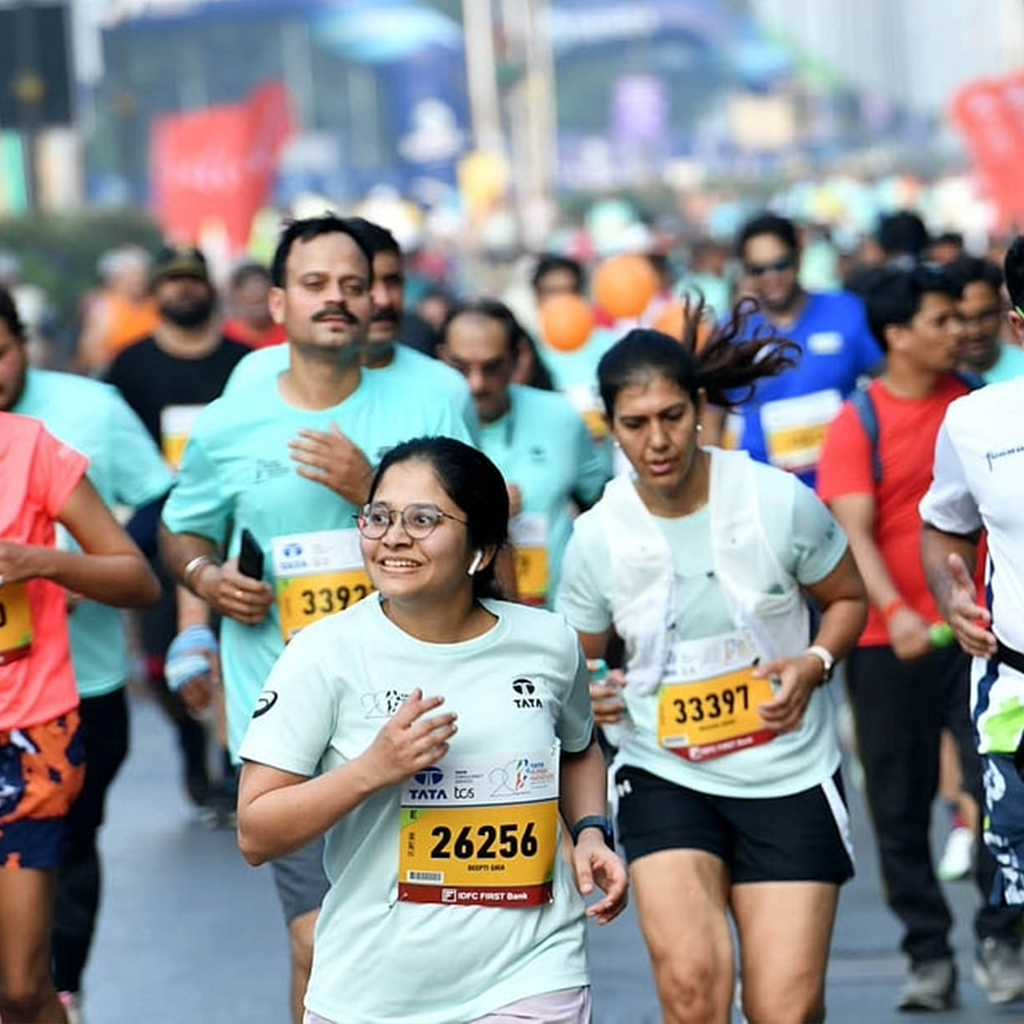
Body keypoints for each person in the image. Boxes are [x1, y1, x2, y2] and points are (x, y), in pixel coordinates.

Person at [158, 213, 475, 1024]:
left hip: (419, 707)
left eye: (352, 284)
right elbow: (183, 526)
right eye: (314, 284)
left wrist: (372, 487)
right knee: (321, 941)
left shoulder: (431, 398)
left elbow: (482, 543)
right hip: (287, 715)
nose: (336, 298)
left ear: (374, 299)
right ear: (278, 303)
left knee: (415, 946)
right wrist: (205, 580)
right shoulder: (232, 417)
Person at [237, 436, 628, 1024]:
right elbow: (255, 832)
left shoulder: (548, 643)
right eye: (379, 517)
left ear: (482, 549)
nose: (394, 537)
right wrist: (372, 770)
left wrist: (592, 831)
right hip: (371, 987)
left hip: (530, 968)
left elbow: (578, 749)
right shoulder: (322, 655)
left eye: (423, 520)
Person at [555, 319, 867, 1024]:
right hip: (664, 769)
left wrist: (815, 662)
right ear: (611, 427)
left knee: (785, 1009)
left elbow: (848, 599)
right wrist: (596, 691)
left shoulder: (776, 500)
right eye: (635, 424)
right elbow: (578, 661)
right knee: (692, 991)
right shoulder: (597, 538)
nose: (658, 440)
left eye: (671, 416)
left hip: (789, 770)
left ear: (699, 407)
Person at [817, 264, 1024, 1010]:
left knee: (988, 795)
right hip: (887, 643)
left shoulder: (977, 402)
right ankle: (928, 953)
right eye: (941, 320)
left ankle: (1003, 936)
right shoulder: (861, 419)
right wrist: (898, 610)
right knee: (899, 805)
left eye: (964, 318)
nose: (959, 331)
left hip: (979, 647)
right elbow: (854, 527)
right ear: (897, 335)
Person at [0, 285, 173, 1021]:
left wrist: (42, 563)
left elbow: (137, 578)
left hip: (26, 731)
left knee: (20, 987)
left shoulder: (31, 447)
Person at [106, 242, 251, 818]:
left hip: (236, 527)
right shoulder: (130, 365)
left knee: (236, 641)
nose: (183, 289)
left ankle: (238, 763)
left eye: (193, 279)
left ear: (210, 288)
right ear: (156, 292)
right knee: (165, 652)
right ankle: (192, 749)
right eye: (172, 280)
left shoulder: (242, 364)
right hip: (159, 528)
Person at [920, 234, 1024, 994]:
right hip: (1016, 689)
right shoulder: (975, 422)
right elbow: (944, 526)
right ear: (1018, 326)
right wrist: (952, 597)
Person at [223, 218, 477, 437]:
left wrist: (365, 479)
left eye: (392, 282)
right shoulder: (255, 375)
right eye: (316, 284)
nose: (382, 299)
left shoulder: (442, 394)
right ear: (278, 302)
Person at [438, 298, 611, 607]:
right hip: (462, 617)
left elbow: (600, 502)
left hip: (563, 615)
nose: (476, 383)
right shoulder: (427, 425)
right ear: (441, 359)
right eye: (460, 368)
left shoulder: (561, 417)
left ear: (519, 358)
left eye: (492, 367)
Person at [705, 212, 882, 489]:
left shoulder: (847, 311)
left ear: (799, 257)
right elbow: (711, 420)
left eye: (781, 264)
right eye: (758, 270)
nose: (772, 277)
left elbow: (888, 384)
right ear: (744, 271)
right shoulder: (733, 331)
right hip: (764, 490)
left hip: (846, 485)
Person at [75, 244, 159, 375]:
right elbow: (89, 353)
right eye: (133, 274)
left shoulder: (156, 305)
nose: (139, 279)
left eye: (142, 273)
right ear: (115, 278)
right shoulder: (105, 307)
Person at [948, 255, 1024, 383]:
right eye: (961, 318)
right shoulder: (928, 381)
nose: (975, 331)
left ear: (1002, 308)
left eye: (986, 316)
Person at [221, 261, 288, 350]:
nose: (255, 291)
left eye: (261, 301)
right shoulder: (225, 336)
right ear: (235, 298)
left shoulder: (291, 333)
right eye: (251, 303)